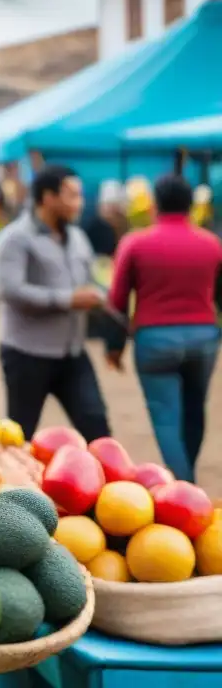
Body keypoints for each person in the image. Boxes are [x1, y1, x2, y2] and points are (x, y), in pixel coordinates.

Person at [107, 174, 222, 483]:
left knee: (166, 419)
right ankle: (189, 479)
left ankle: (185, 487)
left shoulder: (136, 243)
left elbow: (117, 299)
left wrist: (114, 346)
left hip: (154, 340)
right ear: (190, 205)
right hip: (203, 338)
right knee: (195, 411)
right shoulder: (212, 244)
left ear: (155, 204)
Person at [0, 164, 111, 442]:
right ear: (47, 197)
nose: (80, 203)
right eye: (72, 195)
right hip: (27, 354)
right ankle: (18, 487)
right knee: (19, 436)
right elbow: (11, 291)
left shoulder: (79, 238)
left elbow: (91, 279)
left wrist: (101, 294)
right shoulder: (15, 238)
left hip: (73, 352)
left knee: (98, 430)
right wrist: (68, 299)